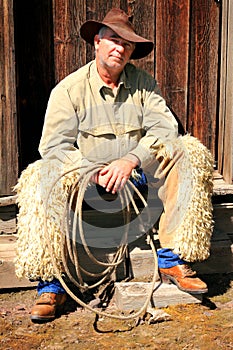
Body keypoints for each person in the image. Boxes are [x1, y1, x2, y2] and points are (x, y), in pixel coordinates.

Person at [14, 8, 214, 322]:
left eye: (127, 45)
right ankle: (51, 283)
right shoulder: (69, 90)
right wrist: (90, 169)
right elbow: (53, 146)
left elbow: (165, 130)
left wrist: (131, 160)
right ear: (97, 42)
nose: (120, 48)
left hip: (137, 179)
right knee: (41, 173)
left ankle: (172, 258)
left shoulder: (144, 85)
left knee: (186, 151)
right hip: (87, 183)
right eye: (113, 40)